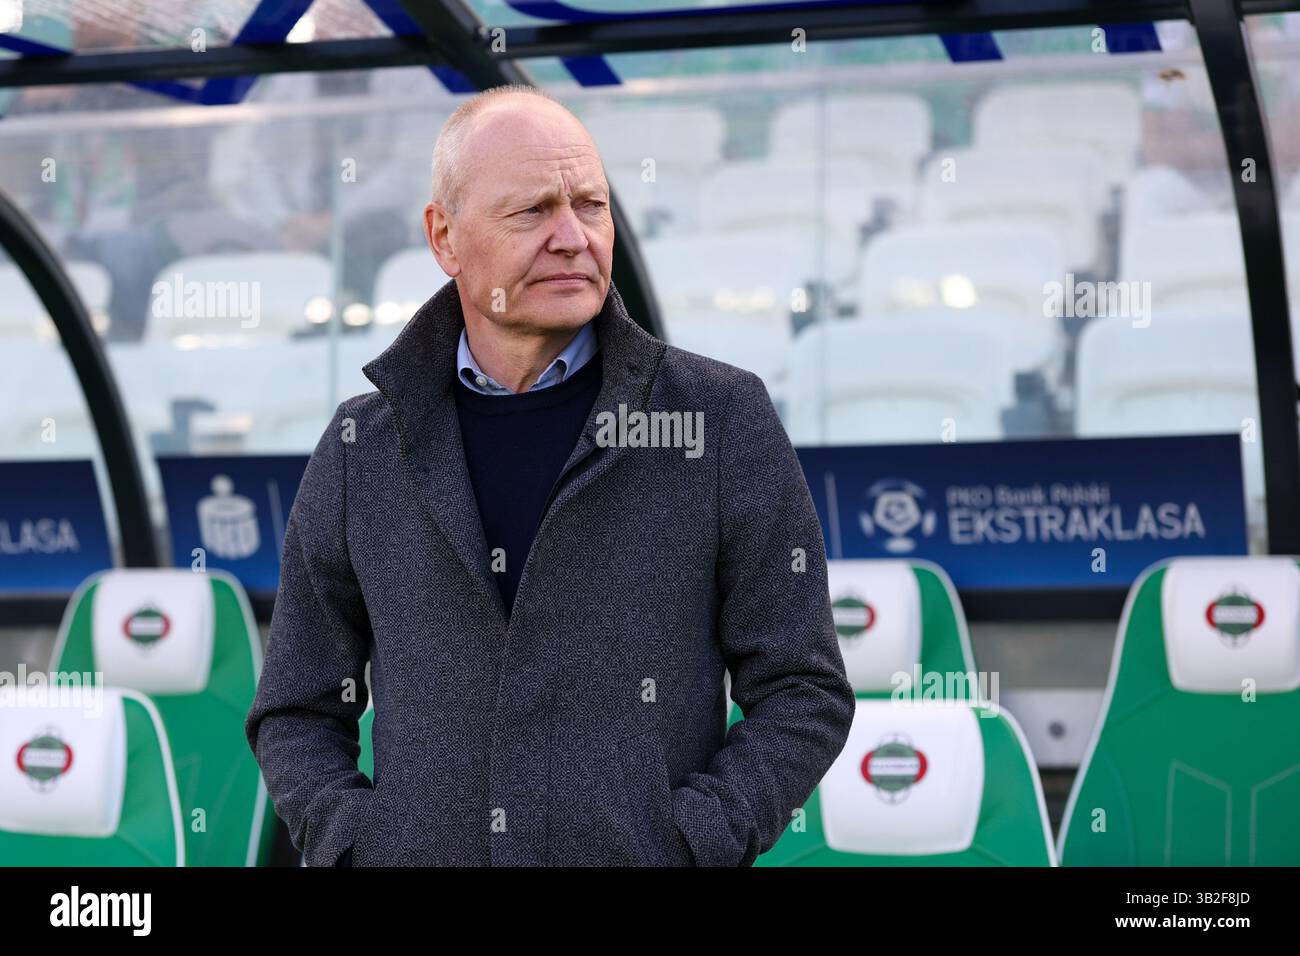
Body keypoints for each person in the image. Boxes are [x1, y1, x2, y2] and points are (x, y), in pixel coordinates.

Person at [244, 85, 855, 867]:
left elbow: (805, 691)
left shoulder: (721, 419)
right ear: (445, 237)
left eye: (590, 206)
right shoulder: (363, 445)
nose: (572, 237)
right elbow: (296, 708)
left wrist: (689, 843)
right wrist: (362, 844)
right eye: (532, 211)